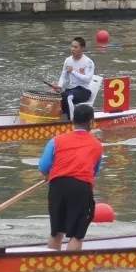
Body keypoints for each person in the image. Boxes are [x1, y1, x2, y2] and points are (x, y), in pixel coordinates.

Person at [38, 104, 104, 251]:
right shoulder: (97, 145)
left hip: (57, 186)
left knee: (56, 232)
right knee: (76, 235)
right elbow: (94, 172)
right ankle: (69, 271)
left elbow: (43, 166)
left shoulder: (56, 140)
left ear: (73, 121)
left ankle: (52, 266)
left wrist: (48, 176)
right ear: (91, 123)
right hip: (81, 188)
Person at [54, 37, 95, 119]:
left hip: (84, 91)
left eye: (75, 47)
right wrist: (59, 86)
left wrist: (73, 71)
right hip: (71, 89)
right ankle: (61, 118)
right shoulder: (68, 60)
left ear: (82, 48)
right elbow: (63, 76)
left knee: (67, 97)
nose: (72, 49)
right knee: (56, 97)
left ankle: (71, 121)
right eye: (72, 46)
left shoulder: (88, 62)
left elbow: (87, 79)